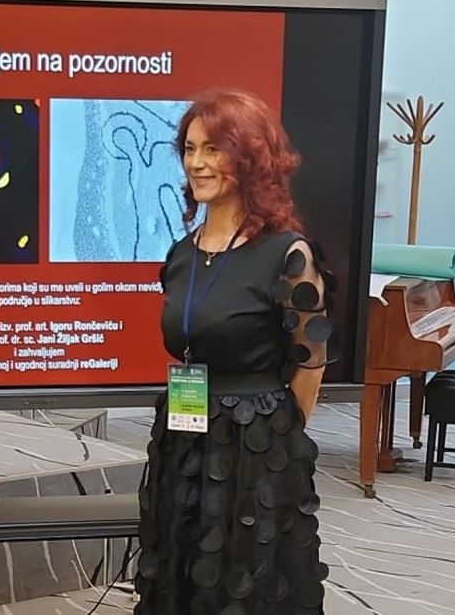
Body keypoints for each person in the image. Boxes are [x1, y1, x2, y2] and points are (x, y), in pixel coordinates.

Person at [134, 88, 334, 614]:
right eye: (189, 149)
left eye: (213, 149)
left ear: (250, 158)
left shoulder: (287, 253)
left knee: (245, 580)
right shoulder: (182, 253)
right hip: (185, 436)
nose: (196, 163)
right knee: (183, 571)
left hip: (256, 449)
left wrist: (277, 443)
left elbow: (310, 361)